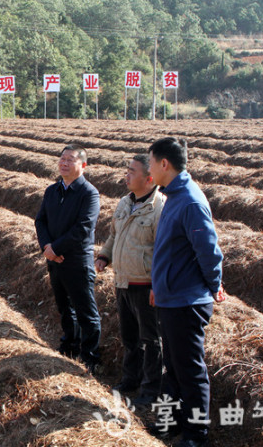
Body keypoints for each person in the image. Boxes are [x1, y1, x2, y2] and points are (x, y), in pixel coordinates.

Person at [148, 137, 225, 447]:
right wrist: (159, 285)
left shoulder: (190, 200)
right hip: (171, 296)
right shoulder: (173, 196)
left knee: (190, 371)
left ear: (164, 164)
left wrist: (211, 285)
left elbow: (209, 251)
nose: (150, 169)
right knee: (175, 369)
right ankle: (171, 424)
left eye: (151, 163)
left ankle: (196, 435)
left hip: (187, 300)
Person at [95, 154, 164, 406]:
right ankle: (130, 379)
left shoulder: (160, 207)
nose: (127, 175)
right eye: (127, 170)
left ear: (149, 178)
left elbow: (162, 250)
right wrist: (104, 256)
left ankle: (150, 389)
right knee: (130, 338)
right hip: (122, 282)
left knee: (152, 340)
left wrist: (158, 285)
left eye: (132, 171)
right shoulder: (125, 202)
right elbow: (114, 235)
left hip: (145, 286)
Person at [35, 144, 101, 372]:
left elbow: (83, 228)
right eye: (62, 159)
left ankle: (90, 357)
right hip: (53, 259)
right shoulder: (52, 190)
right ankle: (69, 346)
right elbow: (40, 220)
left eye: (70, 160)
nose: (63, 163)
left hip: (76, 260)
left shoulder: (89, 194)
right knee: (65, 307)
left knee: (86, 310)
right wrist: (46, 247)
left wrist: (57, 248)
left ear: (83, 165)